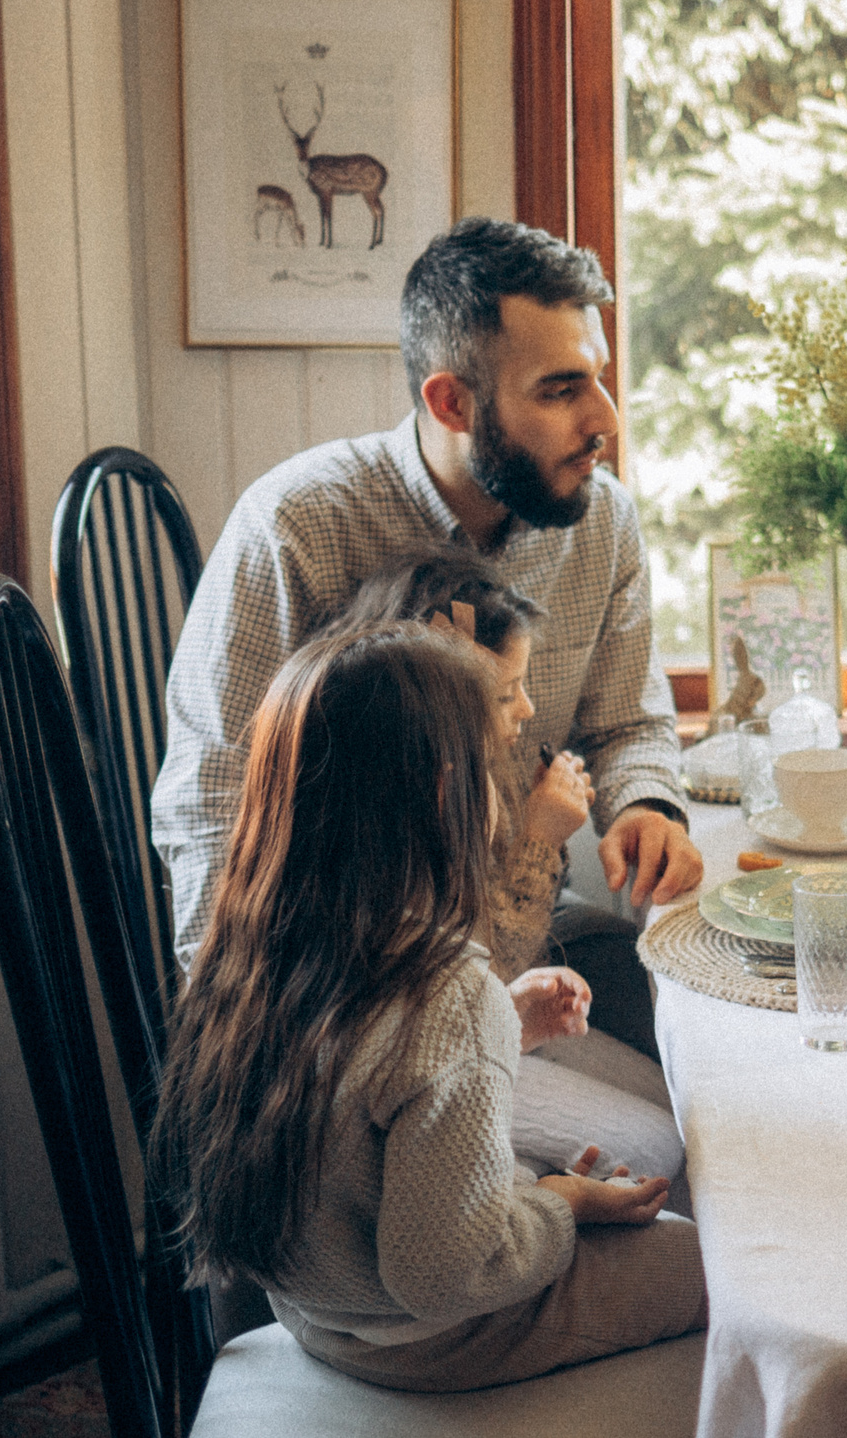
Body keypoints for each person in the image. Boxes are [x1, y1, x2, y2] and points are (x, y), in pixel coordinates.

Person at [150, 217, 704, 1044]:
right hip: (346, 992)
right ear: (451, 402)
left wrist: (647, 806)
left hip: (517, 942)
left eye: (599, 377)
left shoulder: (603, 523)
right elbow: (212, 802)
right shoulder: (296, 526)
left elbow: (629, 720)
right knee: (666, 1108)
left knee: (684, 1024)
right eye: (560, 390)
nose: (605, 419)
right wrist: (245, 1042)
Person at [150, 624, 705, 1392]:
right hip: (434, 1338)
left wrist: (506, 1025)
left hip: (319, 1309)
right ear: (447, 792)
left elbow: (373, 1084)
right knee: (721, 1266)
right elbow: (447, 1275)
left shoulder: (260, 947)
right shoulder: (447, 997)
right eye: (489, 768)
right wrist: (560, 1203)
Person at [333, 545, 685, 1193]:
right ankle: (542, 1202)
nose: (526, 710)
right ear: (434, 714)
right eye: (504, 695)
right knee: (661, 1150)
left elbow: (480, 995)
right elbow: (467, 991)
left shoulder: (460, 779)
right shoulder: (399, 827)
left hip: (481, 1021)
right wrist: (540, 842)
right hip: (412, 1068)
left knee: (681, 1109)